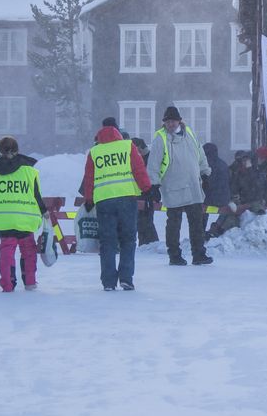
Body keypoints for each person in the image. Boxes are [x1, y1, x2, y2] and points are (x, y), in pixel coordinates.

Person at [82, 125, 151, 290]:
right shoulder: (128, 146)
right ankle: (126, 278)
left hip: (104, 201)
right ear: (118, 135)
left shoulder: (95, 152)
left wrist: (89, 198)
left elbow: (89, 178)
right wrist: (146, 187)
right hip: (126, 199)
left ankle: (108, 282)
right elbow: (138, 169)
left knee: (107, 242)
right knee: (128, 239)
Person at [148, 106, 212, 266]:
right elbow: (153, 164)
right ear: (164, 123)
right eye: (168, 121)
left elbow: (200, 154)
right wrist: (153, 185)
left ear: (179, 121)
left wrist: (205, 172)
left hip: (192, 185)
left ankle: (198, 254)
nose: (171, 124)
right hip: (173, 186)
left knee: (196, 223)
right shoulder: (160, 139)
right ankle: (174, 255)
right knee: (174, 224)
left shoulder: (190, 133)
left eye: (173, 121)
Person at [0, 136, 47, 292]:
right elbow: (36, 194)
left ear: (0, 150)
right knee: (28, 250)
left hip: (4, 216)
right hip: (25, 216)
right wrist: (43, 211)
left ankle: (7, 283)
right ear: (17, 149)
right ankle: (30, 281)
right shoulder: (29, 170)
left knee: (7, 250)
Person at [131, 136, 159, 246]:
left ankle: (149, 243)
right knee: (142, 221)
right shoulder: (148, 157)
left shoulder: (148, 159)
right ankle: (146, 244)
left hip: (146, 193)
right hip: (144, 193)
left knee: (145, 221)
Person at [201, 142, 231, 238]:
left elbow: (208, 184)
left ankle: (200, 232)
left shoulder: (207, 165)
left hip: (211, 198)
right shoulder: (223, 164)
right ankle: (214, 229)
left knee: (199, 209)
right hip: (224, 198)